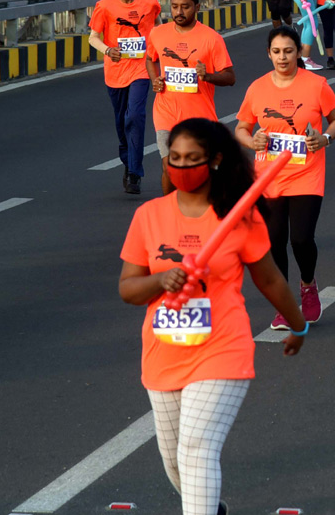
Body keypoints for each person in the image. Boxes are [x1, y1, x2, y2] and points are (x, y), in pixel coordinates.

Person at [118, 118, 306, 515]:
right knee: (176, 462)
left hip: (222, 350)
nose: (182, 168)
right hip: (162, 354)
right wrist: (160, 280)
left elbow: (270, 281)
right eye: (175, 159)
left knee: (197, 448)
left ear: (215, 161)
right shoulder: (148, 216)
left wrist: (297, 324)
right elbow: (127, 289)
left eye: (193, 159)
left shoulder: (240, 218)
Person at [236, 26, 335, 328]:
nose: (282, 57)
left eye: (288, 51)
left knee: (300, 238)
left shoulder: (317, 84)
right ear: (269, 54)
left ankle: (308, 285)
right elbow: (242, 128)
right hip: (268, 177)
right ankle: (284, 303)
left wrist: (324, 138)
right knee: (274, 242)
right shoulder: (257, 88)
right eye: (276, 52)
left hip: (306, 173)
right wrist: (252, 141)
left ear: (298, 52)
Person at [147, 0, 236, 191]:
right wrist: (155, 79)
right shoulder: (158, 34)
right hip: (166, 112)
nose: (178, 12)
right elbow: (150, 59)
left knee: (200, 172)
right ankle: (171, 215)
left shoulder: (212, 39)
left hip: (200, 117)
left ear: (197, 7)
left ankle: (200, 215)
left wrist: (208, 76)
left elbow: (230, 77)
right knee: (170, 167)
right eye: (175, 6)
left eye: (185, 7)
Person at [89, 0, 162, 195]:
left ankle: (135, 172)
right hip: (115, 71)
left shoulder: (149, 2)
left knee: (135, 116)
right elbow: (93, 37)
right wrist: (108, 50)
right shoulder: (105, 6)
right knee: (122, 123)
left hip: (142, 68)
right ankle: (128, 162)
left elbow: (160, 29)